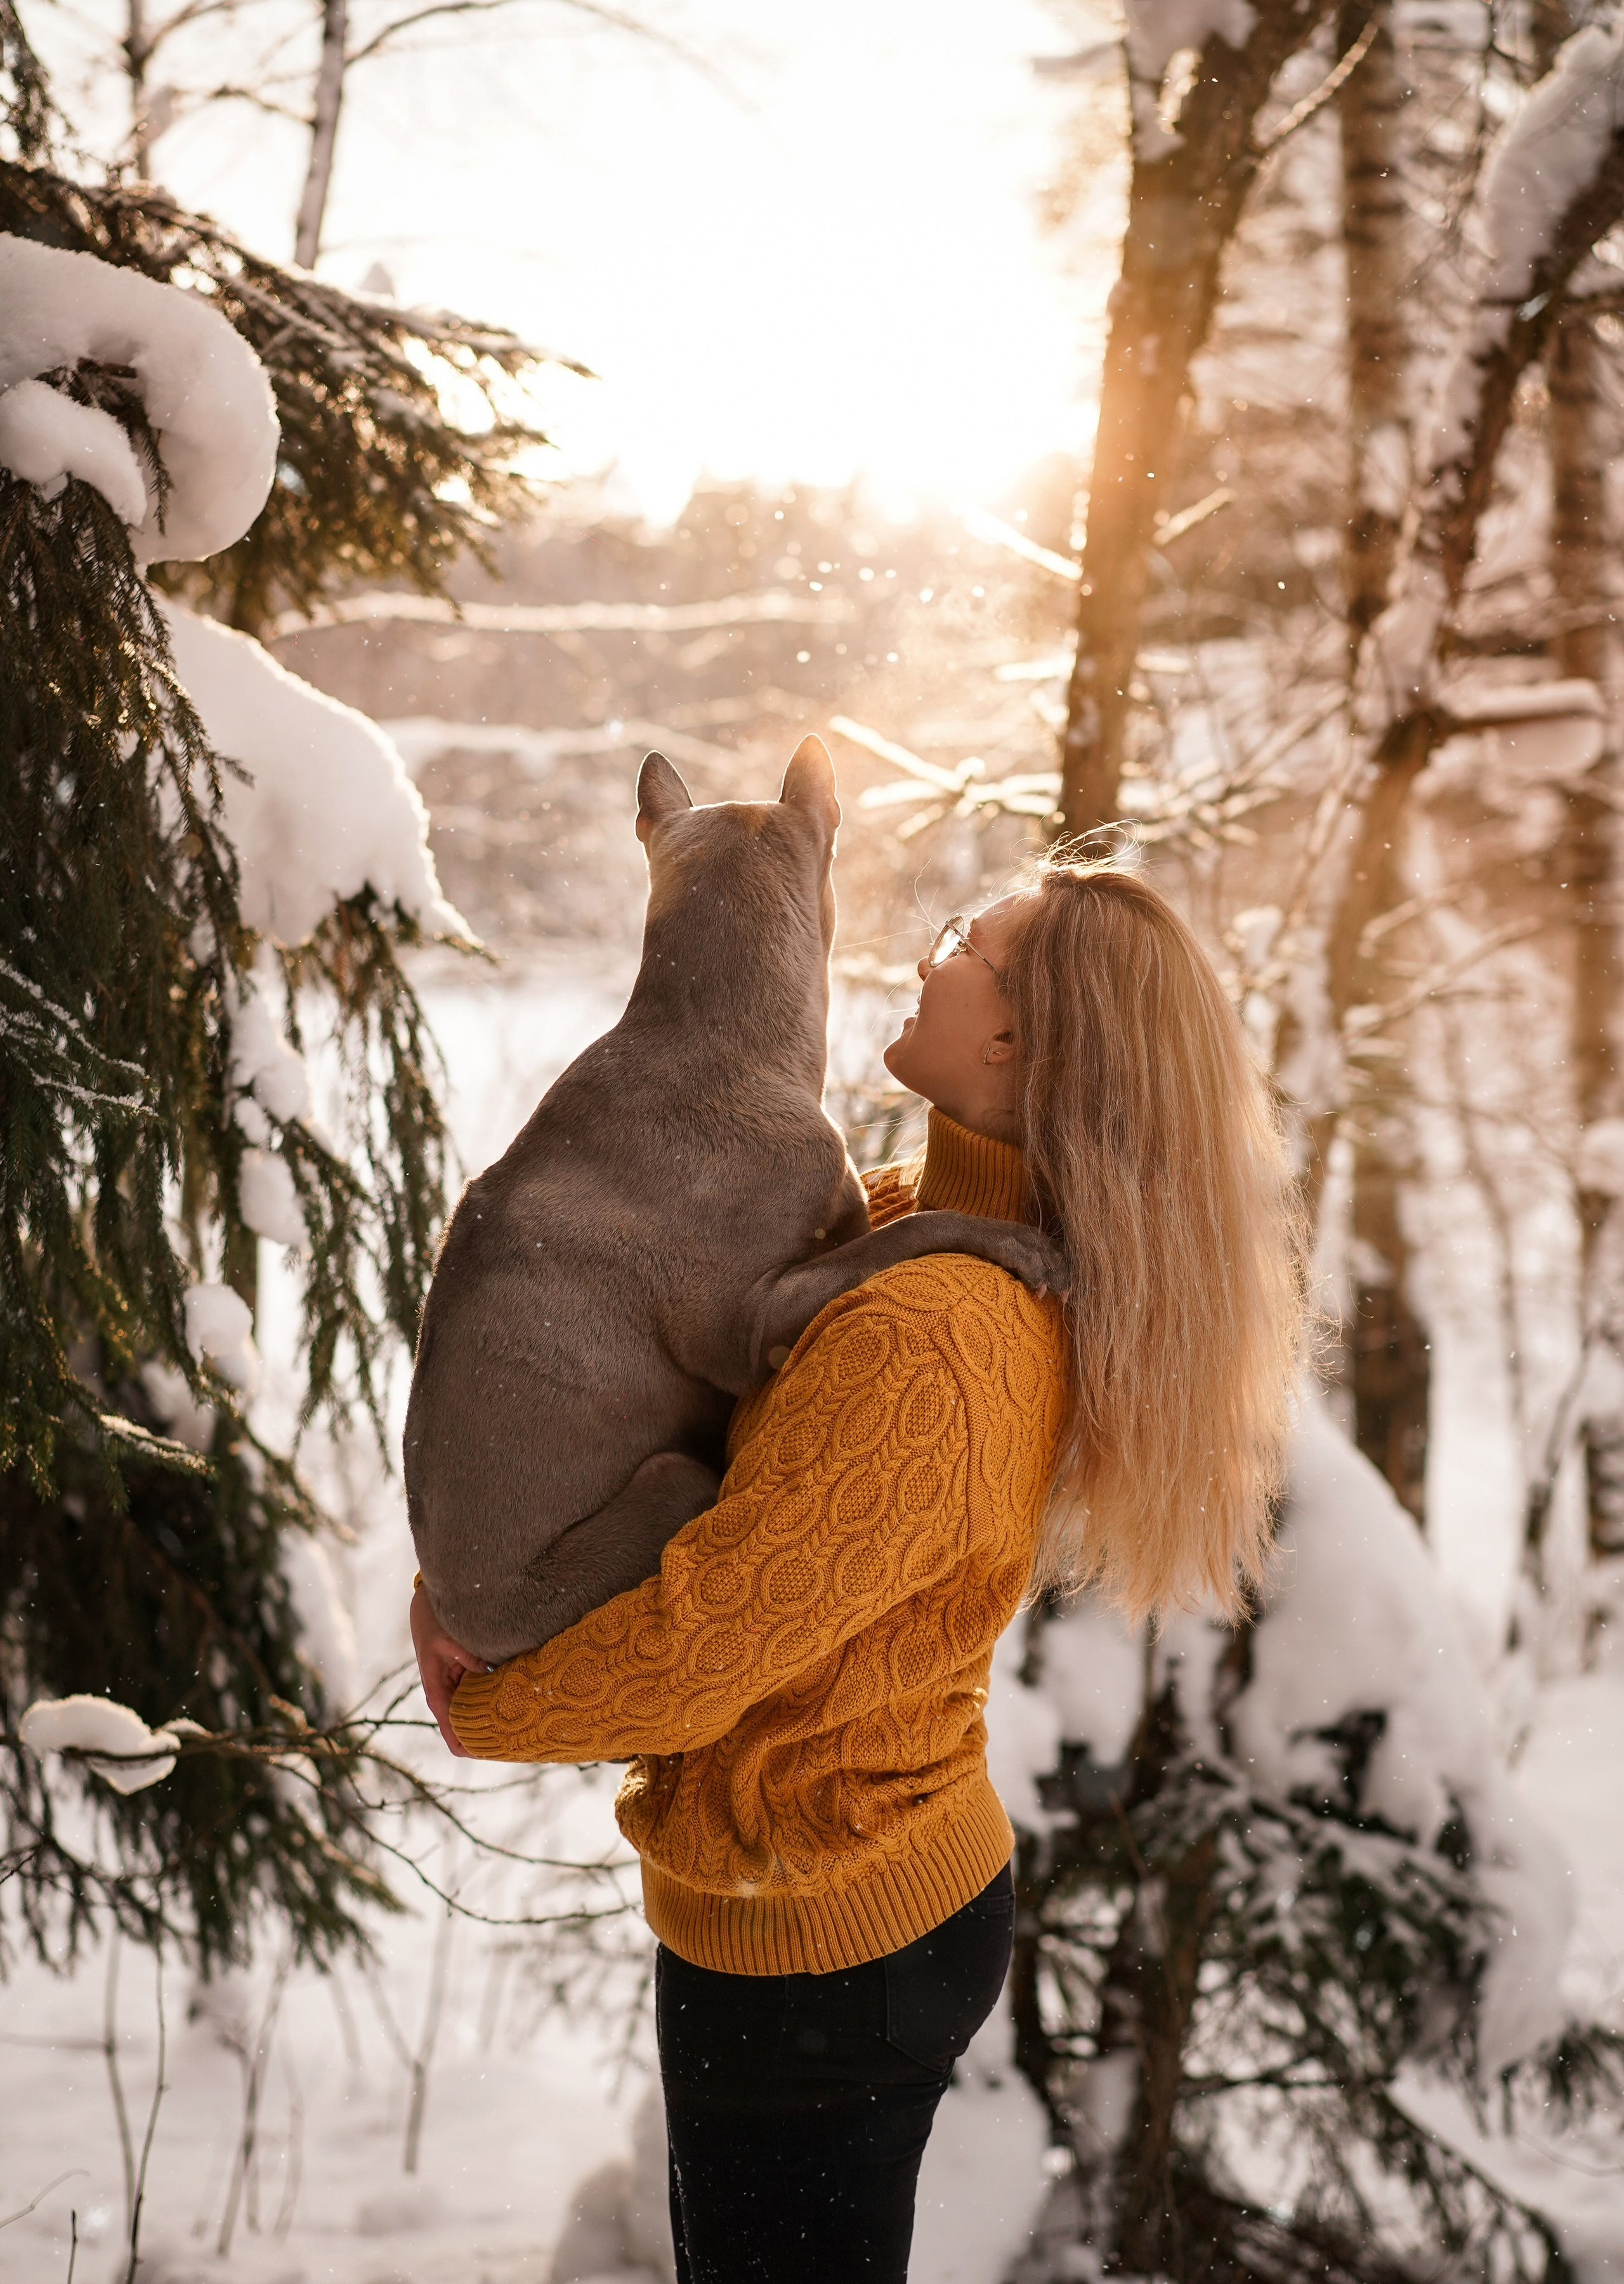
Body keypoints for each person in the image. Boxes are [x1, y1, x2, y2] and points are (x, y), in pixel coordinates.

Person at [410, 847, 1304, 2284]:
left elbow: (708, 1637)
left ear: (1012, 1038)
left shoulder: (933, 1338)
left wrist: (487, 1693)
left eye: (965, 940)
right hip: (819, 1906)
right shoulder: (904, 1224)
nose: (925, 949)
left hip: (823, 1945)